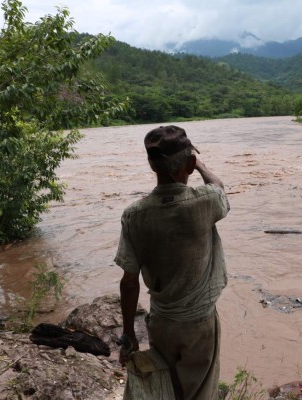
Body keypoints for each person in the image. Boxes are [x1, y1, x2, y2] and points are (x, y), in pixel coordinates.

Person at [114, 125, 229, 400]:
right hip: (199, 322)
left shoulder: (134, 215)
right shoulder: (205, 202)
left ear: (151, 165)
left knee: (168, 386)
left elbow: (129, 282)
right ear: (188, 165)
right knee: (201, 391)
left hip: (161, 321)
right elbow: (219, 187)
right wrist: (199, 163)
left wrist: (129, 332)